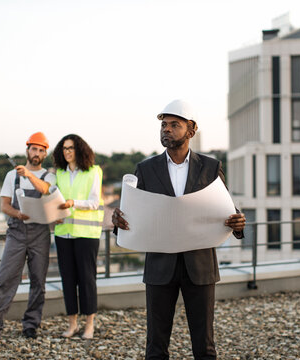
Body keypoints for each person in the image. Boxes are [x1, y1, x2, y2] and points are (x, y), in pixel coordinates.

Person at [112, 99, 246, 359]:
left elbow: (227, 210)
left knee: (205, 346)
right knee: (156, 345)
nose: (167, 129)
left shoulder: (210, 168)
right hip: (160, 267)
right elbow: (135, 215)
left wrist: (238, 223)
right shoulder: (145, 169)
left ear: (191, 130)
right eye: (164, 125)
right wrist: (119, 223)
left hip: (200, 266)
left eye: (175, 124)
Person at [0, 132, 56, 341]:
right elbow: (5, 205)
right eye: (33, 149)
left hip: (40, 234)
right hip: (16, 232)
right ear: (27, 150)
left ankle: (31, 326)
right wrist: (18, 213)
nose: (36, 153)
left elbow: (45, 190)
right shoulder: (11, 175)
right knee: (5, 280)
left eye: (41, 150)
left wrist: (28, 175)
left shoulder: (48, 176)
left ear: (45, 154)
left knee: (38, 282)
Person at [52, 134, 104, 340]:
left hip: (86, 234)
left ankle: (89, 325)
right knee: (68, 280)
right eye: (64, 148)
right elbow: (53, 200)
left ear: (80, 149)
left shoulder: (93, 171)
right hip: (63, 233)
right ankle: (72, 324)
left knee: (87, 280)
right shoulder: (59, 174)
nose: (67, 152)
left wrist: (73, 203)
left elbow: (94, 202)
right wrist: (53, 214)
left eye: (71, 148)